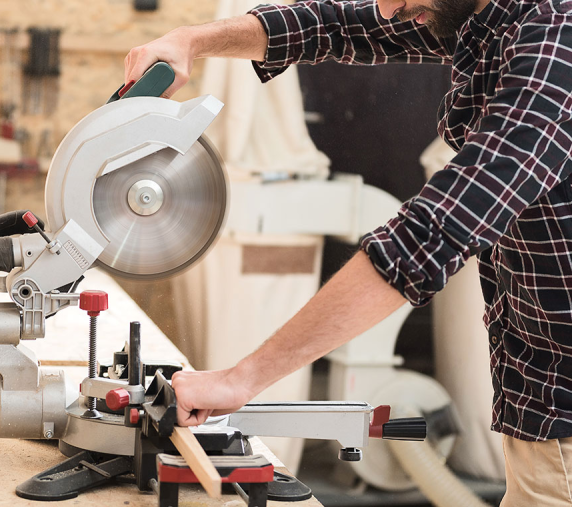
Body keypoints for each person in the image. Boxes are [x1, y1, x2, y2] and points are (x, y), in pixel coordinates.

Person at [125, 0, 572, 504]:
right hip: (538, 400)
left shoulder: (556, 45)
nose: (387, 6)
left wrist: (240, 379)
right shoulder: (487, 21)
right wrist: (193, 40)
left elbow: (430, 236)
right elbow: (336, 25)